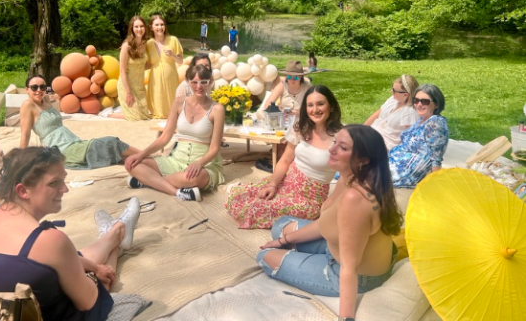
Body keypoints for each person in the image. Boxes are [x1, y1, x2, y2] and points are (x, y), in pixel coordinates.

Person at [0, 147, 142, 321]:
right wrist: (95, 274)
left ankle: (114, 234)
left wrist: (93, 266)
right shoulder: (49, 240)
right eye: (54, 183)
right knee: (97, 284)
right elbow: (88, 302)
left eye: (63, 180)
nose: (65, 189)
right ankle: (116, 245)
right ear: (22, 191)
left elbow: (55, 259)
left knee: (69, 261)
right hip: (32, 314)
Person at [257, 125, 403, 321]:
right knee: (281, 226)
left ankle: (303, 256)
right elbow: (326, 222)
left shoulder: (356, 199)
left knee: (265, 256)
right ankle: (294, 247)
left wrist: (346, 318)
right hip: (339, 245)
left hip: (355, 274)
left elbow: (350, 267)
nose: (331, 149)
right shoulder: (349, 175)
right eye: (335, 142)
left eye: (343, 147)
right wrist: (283, 241)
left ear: (363, 160)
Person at [226, 85, 343, 229]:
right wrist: (273, 185)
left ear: (331, 106)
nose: (315, 110)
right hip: (287, 182)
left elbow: (348, 176)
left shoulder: (341, 137)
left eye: (320, 104)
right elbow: (286, 160)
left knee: (256, 209)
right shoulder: (302, 127)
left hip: (310, 199)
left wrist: (331, 202)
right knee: (241, 197)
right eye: (310, 105)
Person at [124, 64, 225, 202]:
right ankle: (177, 192)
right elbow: (165, 137)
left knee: (193, 178)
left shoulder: (217, 109)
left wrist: (199, 163)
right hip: (176, 160)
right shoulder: (178, 103)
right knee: (132, 164)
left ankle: (148, 182)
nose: (199, 86)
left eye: (204, 82)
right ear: (188, 82)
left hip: (204, 163)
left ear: (210, 82)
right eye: (194, 82)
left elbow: (215, 148)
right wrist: (141, 153)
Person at [20, 75, 139, 169]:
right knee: (112, 142)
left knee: (118, 155)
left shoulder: (45, 100)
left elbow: (56, 96)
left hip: (74, 142)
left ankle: (147, 160)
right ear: (27, 90)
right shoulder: (28, 105)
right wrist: (20, 161)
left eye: (42, 87)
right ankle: (146, 154)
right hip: (62, 148)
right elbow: (25, 135)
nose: (39, 90)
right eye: (34, 87)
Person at [388, 84, 449, 188]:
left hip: (405, 172)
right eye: (416, 100)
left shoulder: (435, 123)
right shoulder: (422, 120)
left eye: (425, 101)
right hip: (397, 164)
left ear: (436, 104)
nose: (419, 104)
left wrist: (436, 186)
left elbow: (436, 159)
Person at [364, 74, 420, 150]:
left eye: (394, 90)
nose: (391, 92)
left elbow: (409, 140)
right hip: (373, 134)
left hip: (385, 145)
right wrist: (361, 129)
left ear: (405, 95)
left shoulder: (410, 113)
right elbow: (377, 114)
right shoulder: (393, 100)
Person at [146, 14, 184, 119]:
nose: (160, 27)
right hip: (155, 81)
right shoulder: (148, 44)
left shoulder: (173, 40)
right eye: (157, 25)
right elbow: (148, 64)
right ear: (151, 27)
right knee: (157, 113)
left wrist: (172, 55)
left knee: (172, 112)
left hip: (171, 81)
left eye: (162, 24)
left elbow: (180, 61)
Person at [116, 15, 151, 121]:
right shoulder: (127, 46)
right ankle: (107, 115)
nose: (139, 29)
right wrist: (128, 93)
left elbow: (145, 65)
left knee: (145, 116)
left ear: (145, 28)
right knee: (135, 118)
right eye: (136, 27)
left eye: (141, 26)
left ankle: (124, 111)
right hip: (127, 87)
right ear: (132, 29)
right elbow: (122, 71)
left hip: (139, 87)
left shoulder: (146, 44)